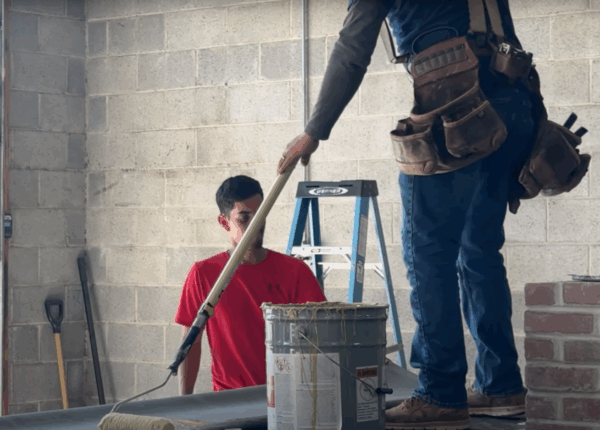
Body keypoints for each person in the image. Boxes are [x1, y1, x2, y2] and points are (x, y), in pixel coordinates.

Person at [277, 1, 533, 429]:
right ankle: (500, 386)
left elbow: (352, 49)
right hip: (515, 106)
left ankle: (439, 392)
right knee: (480, 251)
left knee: (427, 250)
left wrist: (314, 130)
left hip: (457, 108)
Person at [174, 175, 327, 395]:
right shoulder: (204, 274)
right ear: (224, 222)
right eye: (244, 218)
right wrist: (184, 403)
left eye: (260, 215)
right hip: (230, 399)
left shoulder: (295, 271)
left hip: (287, 395)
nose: (256, 225)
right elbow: (191, 343)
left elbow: (323, 334)